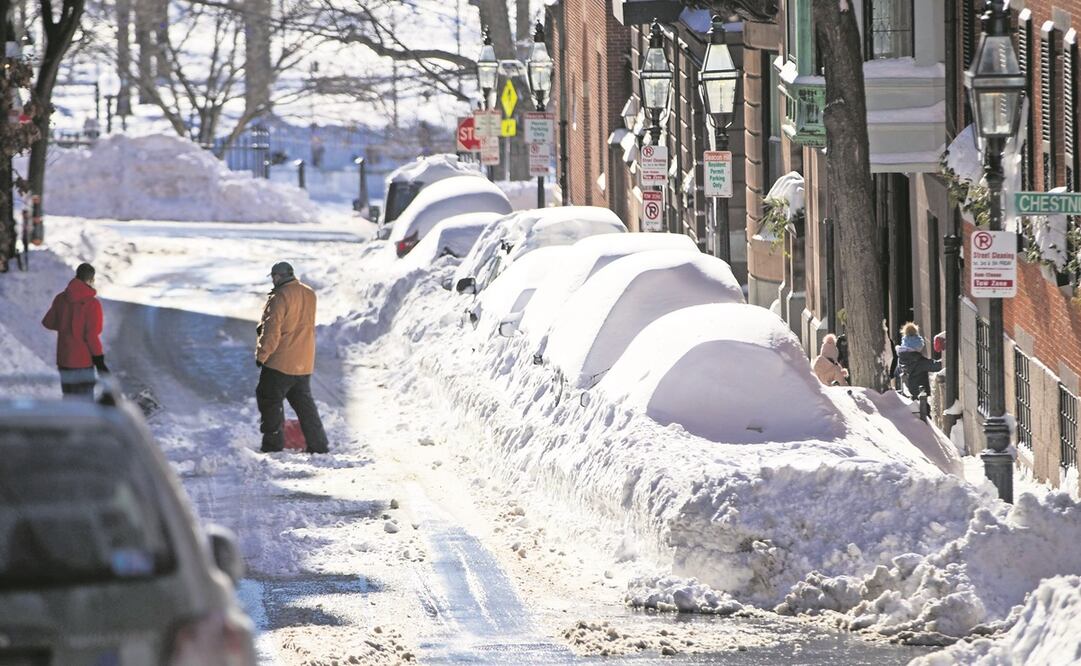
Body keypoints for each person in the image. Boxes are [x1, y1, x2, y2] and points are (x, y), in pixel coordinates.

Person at [255, 261, 329, 453]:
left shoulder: (280, 296)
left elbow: (272, 331)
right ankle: (318, 445)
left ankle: (273, 445)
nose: (273, 280)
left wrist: (262, 355)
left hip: (281, 361)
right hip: (304, 361)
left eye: (273, 277)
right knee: (305, 406)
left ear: (278, 277)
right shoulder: (309, 293)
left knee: (269, 399)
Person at [41, 262, 109, 397]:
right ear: (91, 280)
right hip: (83, 362)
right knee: (85, 404)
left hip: (64, 359)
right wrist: (99, 361)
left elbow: (48, 322)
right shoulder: (92, 304)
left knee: (69, 401)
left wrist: (65, 323)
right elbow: (91, 335)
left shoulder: (60, 298)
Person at [895, 322, 942, 398]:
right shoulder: (918, 361)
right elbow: (936, 366)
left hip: (905, 397)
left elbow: (896, 375)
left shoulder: (901, 359)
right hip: (919, 397)